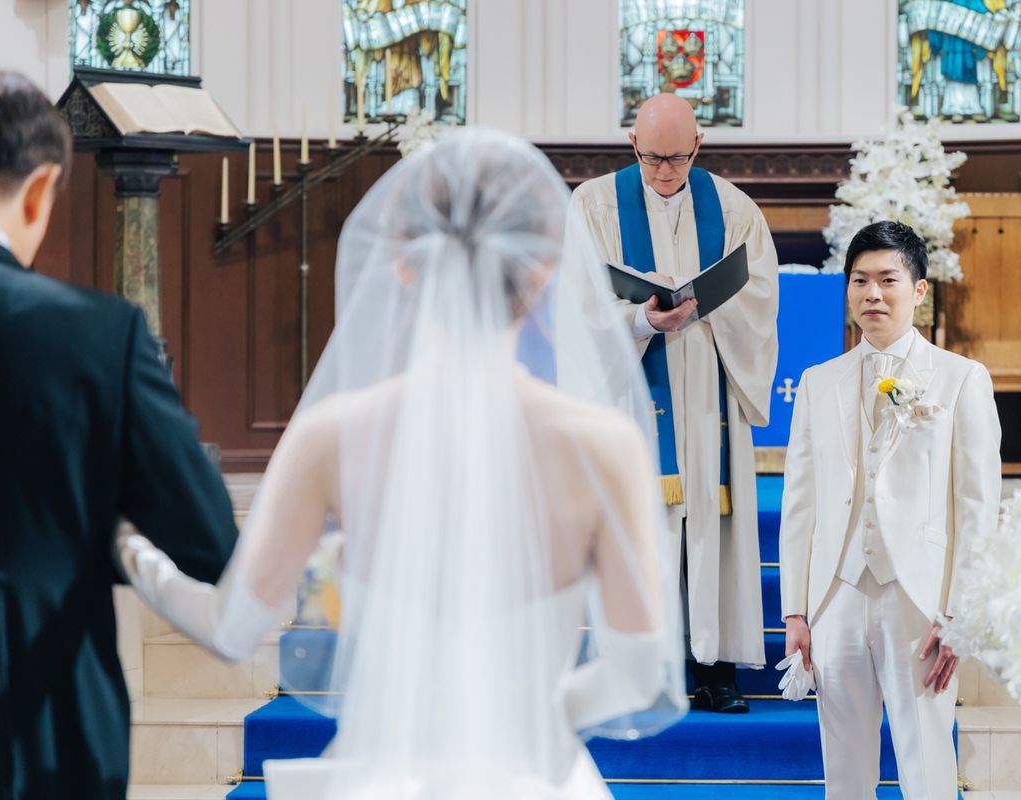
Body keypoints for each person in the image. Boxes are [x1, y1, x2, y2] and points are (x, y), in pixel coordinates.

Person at [115, 127, 688, 799]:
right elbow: (638, 674)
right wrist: (519, 726)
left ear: (402, 263)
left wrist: (130, 551)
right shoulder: (604, 445)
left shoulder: (331, 435)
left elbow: (233, 628)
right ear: (542, 271)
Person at [0, 70, 238, 800]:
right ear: (39, 189)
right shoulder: (97, 334)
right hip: (38, 713)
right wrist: (109, 529)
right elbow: (208, 539)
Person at [566, 93, 778, 713]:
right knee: (641, 529)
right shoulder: (593, 205)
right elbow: (574, 304)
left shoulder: (734, 210)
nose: (664, 171)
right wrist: (640, 319)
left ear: (699, 146)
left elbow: (759, 296)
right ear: (632, 144)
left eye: (678, 158)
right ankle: (640, 669)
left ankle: (713, 667)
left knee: (710, 524)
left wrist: (700, 305)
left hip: (708, 393)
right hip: (633, 395)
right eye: (653, 157)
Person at [779, 221, 1001, 799]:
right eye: (859, 281)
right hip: (837, 595)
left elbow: (977, 507)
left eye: (887, 279)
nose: (872, 293)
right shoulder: (818, 382)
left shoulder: (961, 379)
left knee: (926, 766)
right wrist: (796, 611)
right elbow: (800, 502)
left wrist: (960, 615)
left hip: (920, 603)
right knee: (844, 772)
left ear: (919, 290)